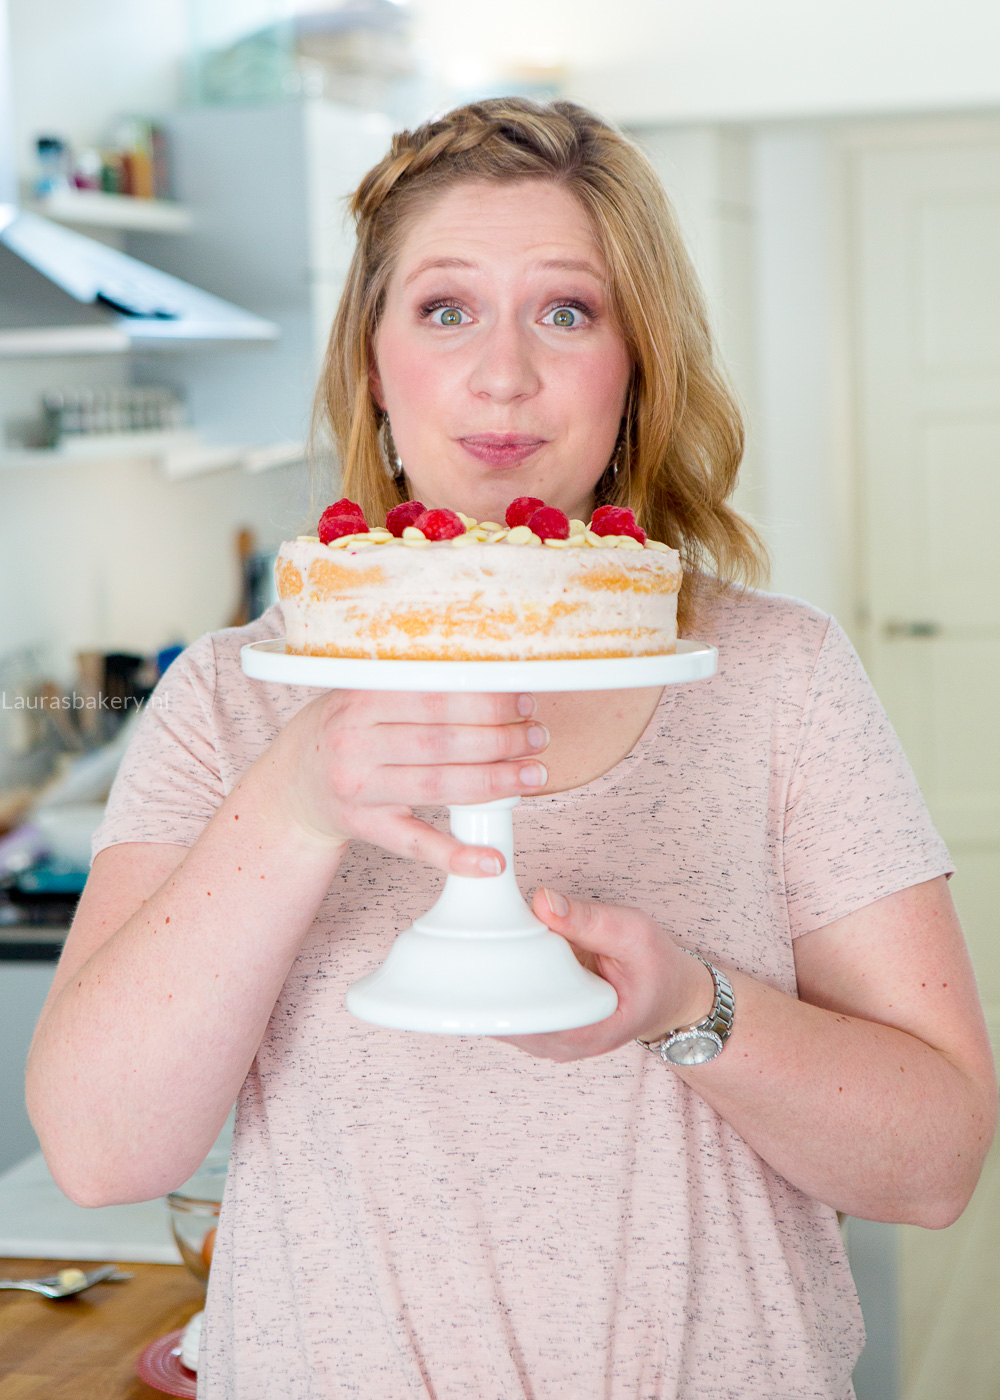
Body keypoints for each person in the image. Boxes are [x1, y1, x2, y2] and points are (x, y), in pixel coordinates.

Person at [26, 99, 996, 1400]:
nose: (503, 374)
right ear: (372, 360)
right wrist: (299, 797)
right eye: (443, 309)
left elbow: (933, 1168)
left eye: (567, 309)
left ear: (637, 356)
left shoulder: (781, 675)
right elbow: (100, 1153)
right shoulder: (231, 698)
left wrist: (686, 1007)